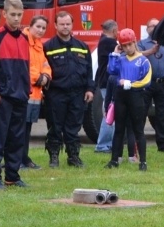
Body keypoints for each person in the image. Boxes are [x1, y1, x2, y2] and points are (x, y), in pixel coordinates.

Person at [0, 0, 30, 188]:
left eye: (19, 15)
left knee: (17, 138)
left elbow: (26, 67)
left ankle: (12, 175)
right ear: (4, 14)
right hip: (3, 95)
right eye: (13, 15)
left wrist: (27, 90)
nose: (16, 19)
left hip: (20, 95)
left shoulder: (25, 37)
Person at [43, 11, 94, 168]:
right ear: (56, 25)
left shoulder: (83, 47)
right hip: (56, 93)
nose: (65, 27)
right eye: (62, 24)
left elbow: (89, 71)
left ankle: (73, 157)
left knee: (73, 127)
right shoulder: (48, 47)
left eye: (68, 24)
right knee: (55, 127)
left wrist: (89, 89)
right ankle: (54, 158)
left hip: (77, 94)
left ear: (72, 25)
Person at [104, 28, 151, 171]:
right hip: (120, 96)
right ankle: (114, 160)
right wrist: (114, 54)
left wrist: (131, 84)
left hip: (136, 95)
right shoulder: (120, 58)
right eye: (124, 45)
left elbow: (147, 80)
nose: (127, 48)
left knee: (138, 130)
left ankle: (143, 162)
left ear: (135, 42)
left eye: (130, 44)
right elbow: (111, 71)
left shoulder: (143, 60)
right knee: (119, 129)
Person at [138, 17, 164, 153]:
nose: (155, 28)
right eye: (152, 26)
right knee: (141, 115)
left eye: (157, 26)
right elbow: (135, 56)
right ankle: (137, 146)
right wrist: (150, 51)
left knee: (162, 117)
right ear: (147, 29)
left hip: (163, 85)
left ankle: (163, 147)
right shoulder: (142, 44)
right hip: (146, 84)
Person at [21, 14, 51, 170]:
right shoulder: (23, 41)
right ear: (30, 26)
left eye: (43, 28)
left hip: (35, 94)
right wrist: (39, 77)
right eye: (38, 27)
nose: (40, 30)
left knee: (26, 130)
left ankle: (24, 158)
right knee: (20, 129)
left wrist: (46, 76)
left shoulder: (38, 45)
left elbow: (46, 64)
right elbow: (24, 65)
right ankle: (19, 159)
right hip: (25, 93)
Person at [94, 19, 118, 153]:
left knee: (109, 111)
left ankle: (106, 144)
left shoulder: (103, 41)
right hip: (108, 82)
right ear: (114, 30)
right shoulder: (110, 42)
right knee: (110, 113)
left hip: (104, 81)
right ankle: (103, 145)